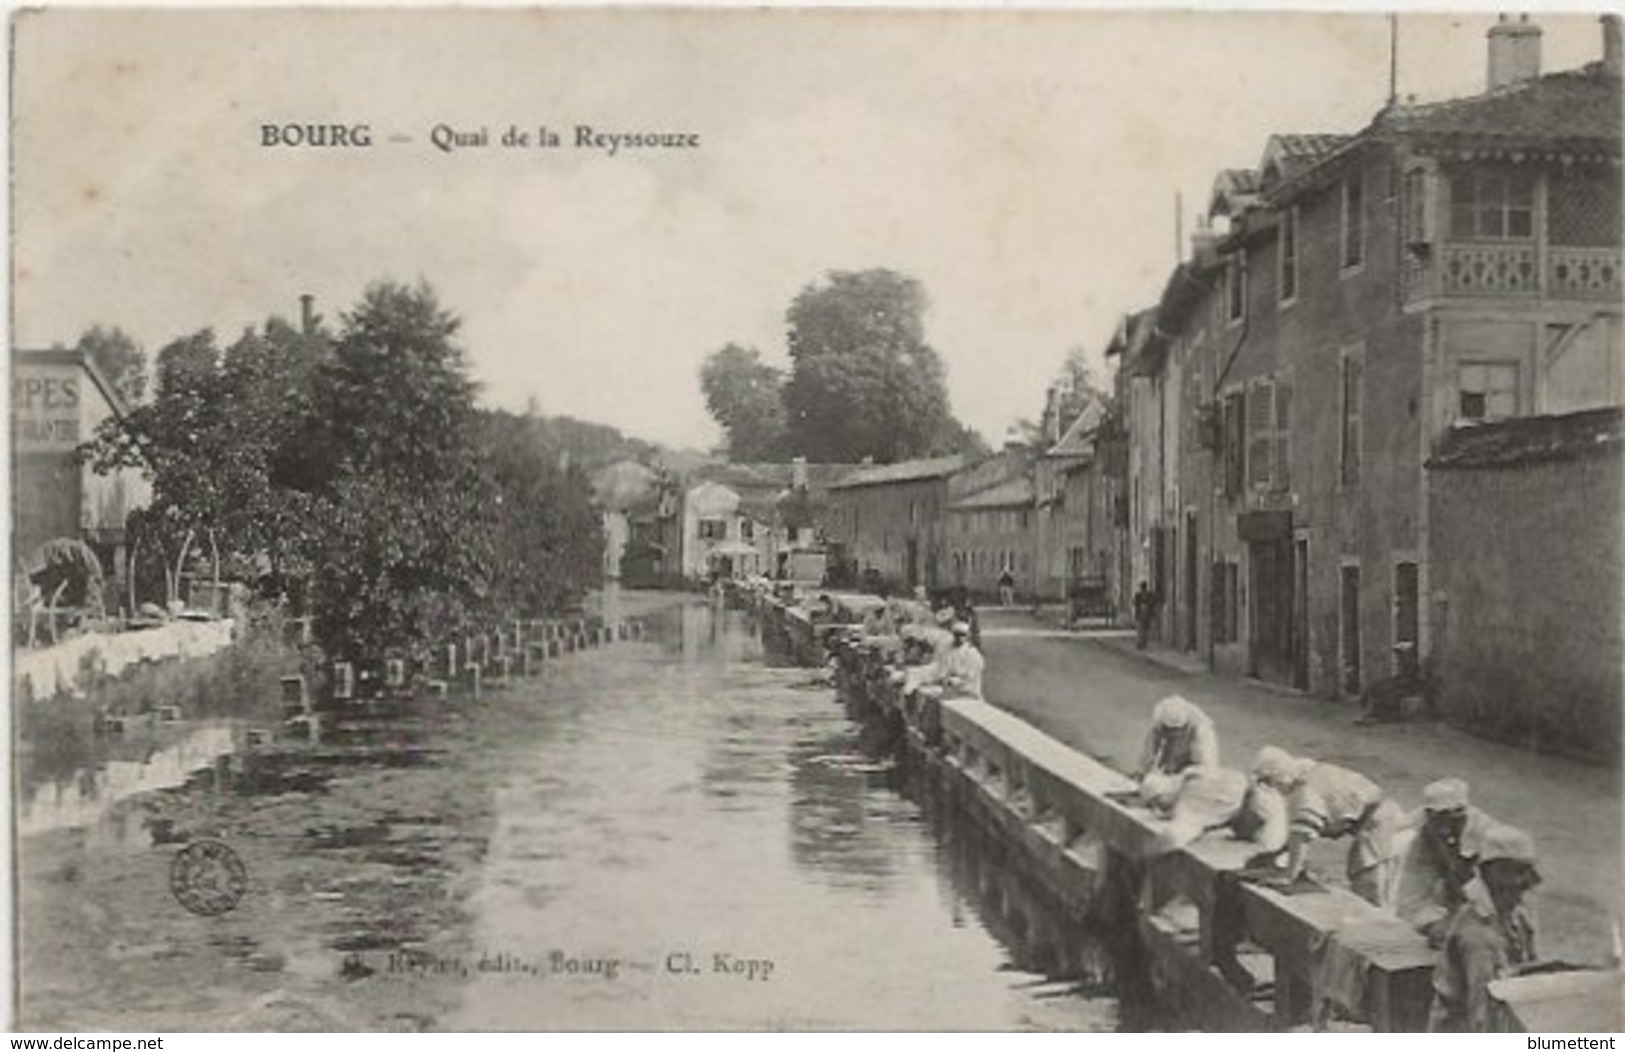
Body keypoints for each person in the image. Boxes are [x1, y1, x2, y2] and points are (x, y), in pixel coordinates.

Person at [1250, 746, 1406, 908]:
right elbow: (1300, 830)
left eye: (1267, 781)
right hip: (1381, 813)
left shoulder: (1304, 790)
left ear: (1279, 775)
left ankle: (1378, 926)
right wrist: (1277, 853)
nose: (1270, 788)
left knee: (1366, 878)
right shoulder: (1307, 772)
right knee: (1371, 877)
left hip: (1379, 819)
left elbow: (1301, 835)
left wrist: (1289, 875)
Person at [1428, 824, 1542, 1032]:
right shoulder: (1476, 934)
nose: (1530, 882)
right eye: (1520, 872)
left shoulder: (1517, 916)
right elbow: (1481, 1015)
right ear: (1493, 872)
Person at [1393, 777, 1497, 946]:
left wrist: (1461, 925)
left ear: (1462, 815)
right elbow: (1410, 899)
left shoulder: (1490, 838)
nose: (1440, 828)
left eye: (1448, 820)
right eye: (1434, 820)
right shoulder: (1425, 835)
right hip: (1455, 907)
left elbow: (1494, 906)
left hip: (1492, 911)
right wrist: (1430, 924)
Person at [1136, 695, 1221, 809]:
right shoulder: (1157, 726)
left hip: (1192, 778)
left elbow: (1207, 770)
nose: (1171, 734)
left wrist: (1179, 781)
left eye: (1175, 730)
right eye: (1167, 729)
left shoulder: (1202, 732)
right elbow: (1148, 755)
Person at [928, 620, 985, 699]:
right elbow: (943, 668)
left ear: (967, 636)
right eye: (957, 635)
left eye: (962, 635)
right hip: (952, 692)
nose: (959, 638)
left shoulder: (972, 653)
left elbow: (970, 676)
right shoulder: (948, 651)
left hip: (969, 693)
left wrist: (953, 680)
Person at [1132, 581, 1156, 650]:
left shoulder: (1139, 595)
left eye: (1142, 587)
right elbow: (1152, 603)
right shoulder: (1147, 595)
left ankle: (1141, 644)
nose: (1142, 589)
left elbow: (1134, 603)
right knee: (1143, 630)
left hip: (1142, 615)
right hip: (1144, 615)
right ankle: (1142, 644)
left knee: (1142, 630)